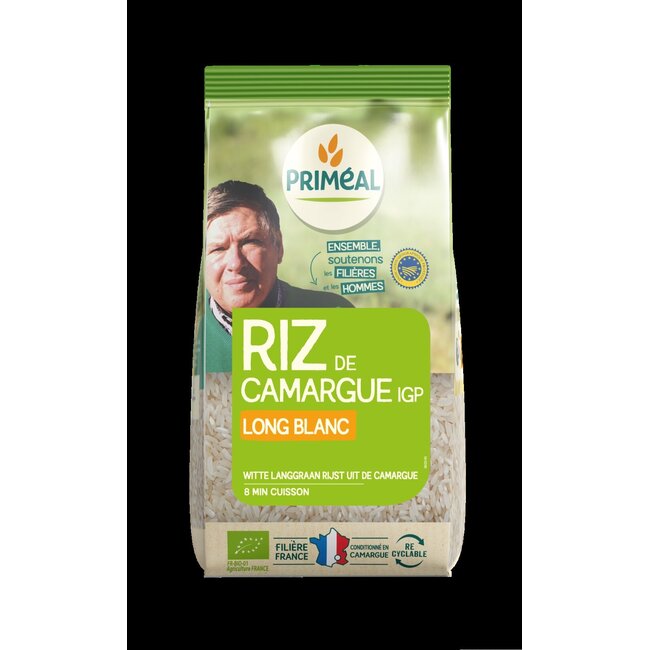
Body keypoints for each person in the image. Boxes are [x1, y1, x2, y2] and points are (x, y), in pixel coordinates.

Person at [204, 180, 352, 371]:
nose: (236, 264)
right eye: (218, 249)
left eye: (250, 242)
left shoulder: (336, 315)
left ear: (279, 246)